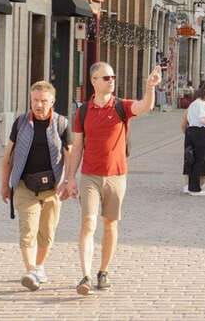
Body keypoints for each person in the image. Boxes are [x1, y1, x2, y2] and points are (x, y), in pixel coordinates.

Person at [57, 62, 161, 296]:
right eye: (106, 77)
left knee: (110, 224)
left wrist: (150, 87)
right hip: (90, 176)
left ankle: (103, 271)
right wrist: (70, 178)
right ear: (94, 81)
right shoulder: (83, 111)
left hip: (116, 176)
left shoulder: (121, 106)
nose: (111, 80)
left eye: (113, 76)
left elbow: (145, 106)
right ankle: (85, 275)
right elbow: (77, 148)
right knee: (88, 223)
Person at [0, 81, 71, 292]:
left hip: (52, 187)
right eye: (35, 101)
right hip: (24, 185)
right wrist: (5, 184)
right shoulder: (21, 122)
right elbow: (7, 157)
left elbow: (69, 156)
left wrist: (67, 181)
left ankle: (40, 267)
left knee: (47, 233)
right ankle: (31, 271)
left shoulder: (62, 123)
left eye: (43, 101)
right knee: (27, 230)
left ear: (52, 101)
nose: (38, 105)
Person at [180, 84, 205, 196]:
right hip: (199, 132)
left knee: (191, 159)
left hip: (191, 131)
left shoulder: (192, 104)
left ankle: (190, 186)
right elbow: (203, 120)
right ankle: (195, 188)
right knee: (198, 160)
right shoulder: (201, 104)